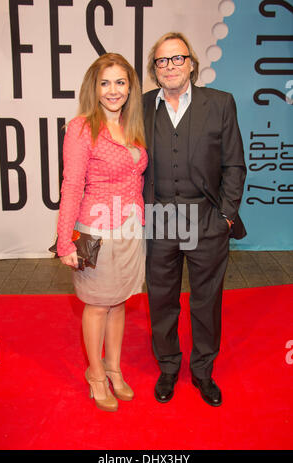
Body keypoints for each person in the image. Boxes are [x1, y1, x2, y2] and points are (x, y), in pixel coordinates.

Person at [143, 32, 246, 406]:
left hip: (206, 221)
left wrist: (226, 217)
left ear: (191, 63)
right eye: (161, 61)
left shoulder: (220, 104)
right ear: (154, 70)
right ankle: (168, 366)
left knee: (206, 302)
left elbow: (234, 163)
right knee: (161, 300)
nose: (169, 66)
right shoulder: (139, 106)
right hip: (159, 220)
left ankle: (203, 372)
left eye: (176, 58)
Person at [56, 53, 147, 412]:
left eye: (120, 82)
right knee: (96, 305)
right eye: (105, 82)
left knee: (119, 301)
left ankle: (114, 367)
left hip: (130, 229)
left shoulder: (133, 125)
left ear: (130, 87)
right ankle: (95, 373)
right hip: (94, 230)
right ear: (94, 87)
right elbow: (71, 184)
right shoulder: (81, 128)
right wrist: (65, 240)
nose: (113, 90)